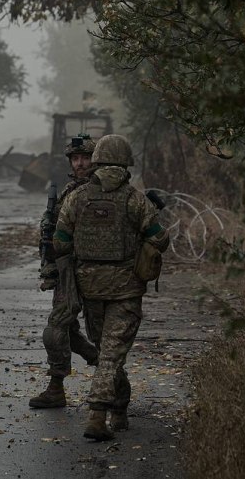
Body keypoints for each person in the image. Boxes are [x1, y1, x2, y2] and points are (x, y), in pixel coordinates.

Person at [53, 134, 170, 441]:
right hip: (125, 291)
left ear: (98, 160)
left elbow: (60, 241)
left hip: (90, 290)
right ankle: (97, 413)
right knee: (110, 356)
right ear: (126, 162)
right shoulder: (135, 199)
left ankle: (119, 408)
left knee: (108, 353)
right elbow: (161, 238)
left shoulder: (75, 198)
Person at [29, 135, 99, 409]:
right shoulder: (70, 190)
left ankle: (112, 381)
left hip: (96, 272)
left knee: (89, 331)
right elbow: (53, 235)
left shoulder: (103, 189)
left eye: (85, 157)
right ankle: (57, 386)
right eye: (75, 158)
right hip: (67, 270)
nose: (80, 163)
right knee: (62, 328)